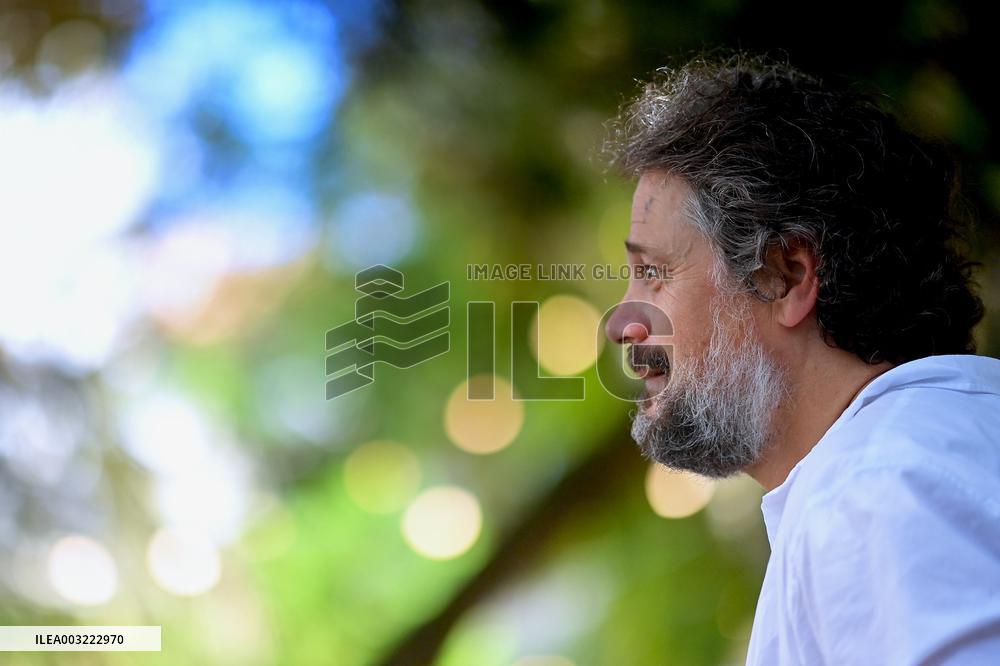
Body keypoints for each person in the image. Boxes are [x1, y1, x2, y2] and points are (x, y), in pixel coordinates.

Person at [603, 53, 1000, 664]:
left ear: (785, 277)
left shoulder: (874, 489)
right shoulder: (921, 452)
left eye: (653, 273)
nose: (622, 322)